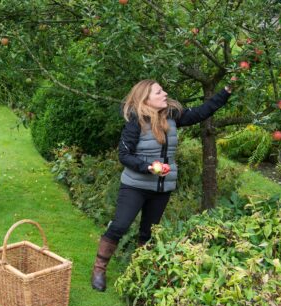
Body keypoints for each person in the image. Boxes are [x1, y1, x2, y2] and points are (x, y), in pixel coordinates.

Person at [91, 79, 232, 292]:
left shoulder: (173, 116)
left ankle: (137, 272)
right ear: (146, 99)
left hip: (162, 188)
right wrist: (148, 167)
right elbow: (124, 155)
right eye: (159, 92)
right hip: (135, 186)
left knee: (148, 233)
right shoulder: (135, 121)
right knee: (120, 226)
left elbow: (203, 111)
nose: (165, 94)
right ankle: (99, 269)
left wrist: (226, 91)